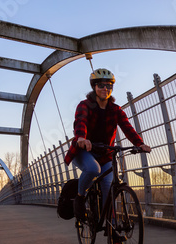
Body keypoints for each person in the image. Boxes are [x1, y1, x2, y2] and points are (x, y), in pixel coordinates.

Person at [64, 68, 151, 222]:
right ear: (94, 87)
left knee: (108, 187)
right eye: (101, 85)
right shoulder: (84, 105)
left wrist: (140, 144)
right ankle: (79, 198)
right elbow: (81, 122)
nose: (105, 89)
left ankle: (112, 227)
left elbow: (127, 128)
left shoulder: (115, 110)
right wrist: (81, 138)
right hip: (85, 151)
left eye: (109, 86)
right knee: (92, 169)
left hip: (105, 154)